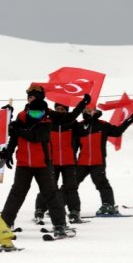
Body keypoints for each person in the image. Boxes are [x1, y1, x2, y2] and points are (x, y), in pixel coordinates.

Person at [0, 86, 73, 237]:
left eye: (38, 112)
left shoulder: (47, 120)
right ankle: (5, 223)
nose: (35, 114)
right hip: (24, 163)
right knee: (17, 193)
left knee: (51, 193)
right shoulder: (21, 117)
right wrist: (9, 151)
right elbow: (13, 137)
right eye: (30, 98)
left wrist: (16, 130)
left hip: (43, 164)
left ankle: (59, 224)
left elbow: (36, 136)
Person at [34, 95, 91, 223]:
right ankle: (40, 209)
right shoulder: (48, 122)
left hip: (69, 162)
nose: (60, 111)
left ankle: (74, 211)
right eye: (58, 109)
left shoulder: (72, 122)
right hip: (51, 162)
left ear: (67, 111)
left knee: (71, 187)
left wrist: (86, 122)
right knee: (48, 187)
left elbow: (83, 134)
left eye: (63, 109)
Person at [73, 106, 133, 215]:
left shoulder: (102, 125)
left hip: (98, 162)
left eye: (90, 110)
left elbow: (117, 132)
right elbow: (74, 146)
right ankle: (57, 205)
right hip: (82, 162)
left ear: (95, 111)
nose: (87, 113)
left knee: (102, 183)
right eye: (85, 111)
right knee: (71, 184)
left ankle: (108, 205)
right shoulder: (79, 126)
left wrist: (129, 120)